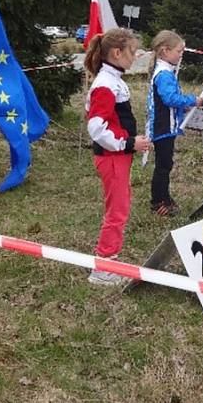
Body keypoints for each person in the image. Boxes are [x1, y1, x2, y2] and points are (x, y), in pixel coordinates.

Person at [84, 28, 152, 285]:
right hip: (112, 158)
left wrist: (132, 142)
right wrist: (129, 143)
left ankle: (109, 258)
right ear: (116, 53)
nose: (134, 57)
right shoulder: (105, 84)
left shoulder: (113, 80)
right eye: (132, 52)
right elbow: (96, 128)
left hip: (118, 157)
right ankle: (103, 267)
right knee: (118, 211)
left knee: (120, 207)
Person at [146, 30, 201, 216]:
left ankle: (164, 197)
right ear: (165, 51)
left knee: (165, 163)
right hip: (162, 126)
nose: (181, 55)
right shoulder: (164, 74)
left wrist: (182, 108)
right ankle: (158, 201)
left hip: (165, 124)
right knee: (163, 165)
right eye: (178, 51)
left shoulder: (165, 71)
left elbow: (166, 100)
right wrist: (191, 100)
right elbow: (169, 98)